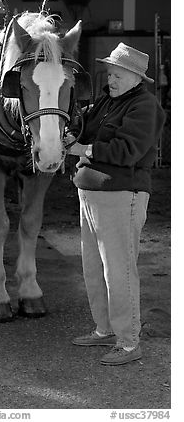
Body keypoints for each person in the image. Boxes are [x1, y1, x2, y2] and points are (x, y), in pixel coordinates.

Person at [67, 42, 165, 366]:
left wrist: (83, 150)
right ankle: (104, 329)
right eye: (109, 73)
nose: (111, 79)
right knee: (94, 270)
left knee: (119, 272)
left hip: (123, 196)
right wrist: (68, 129)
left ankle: (127, 342)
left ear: (136, 77)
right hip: (91, 194)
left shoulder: (145, 106)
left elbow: (127, 151)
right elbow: (82, 128)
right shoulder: (107, 101)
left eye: (118, 74)